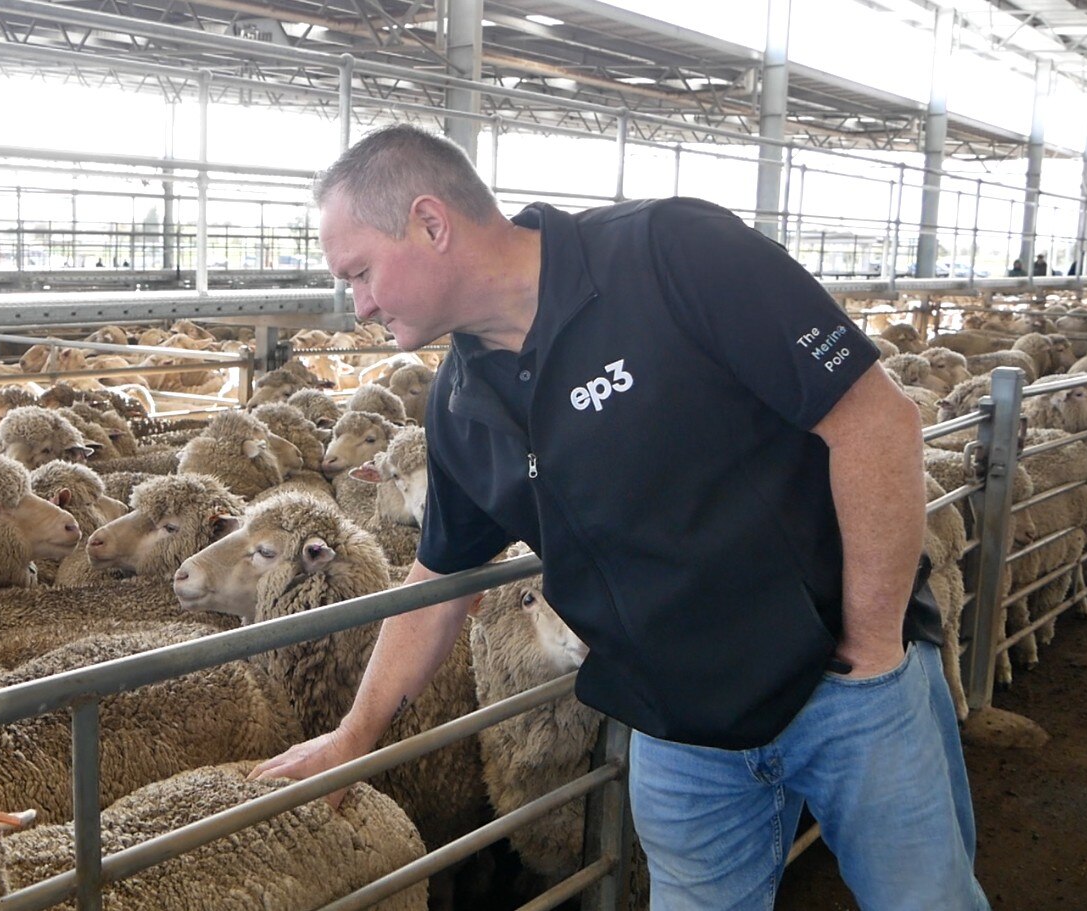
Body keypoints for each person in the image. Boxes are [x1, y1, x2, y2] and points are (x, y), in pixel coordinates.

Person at [249, 125, 988, 910]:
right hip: (678, 731)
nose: (356, 304)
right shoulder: (458, 406)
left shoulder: (670, 253)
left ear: (431, 223)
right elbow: (440, 577)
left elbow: (874, 421)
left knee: (924, 899)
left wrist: (871, 644)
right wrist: (354, 734)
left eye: (360, 272)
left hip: (842, 688)